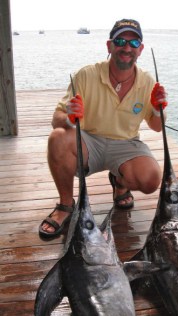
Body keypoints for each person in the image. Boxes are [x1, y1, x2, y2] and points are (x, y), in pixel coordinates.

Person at [39, 19, 168, 238]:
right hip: (89, 141)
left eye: (133, 42)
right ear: (109, 46)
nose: (127, 48)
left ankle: (120, 183)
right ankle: (66, 205)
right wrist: (70, 117)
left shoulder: (147, 82)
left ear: (141, 49)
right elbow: (56, 118)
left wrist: (157, 110)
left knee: (151, 179)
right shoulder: (86, 75)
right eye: (120, 41)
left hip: (126, 145)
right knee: (58, 137)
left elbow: (156, 127)